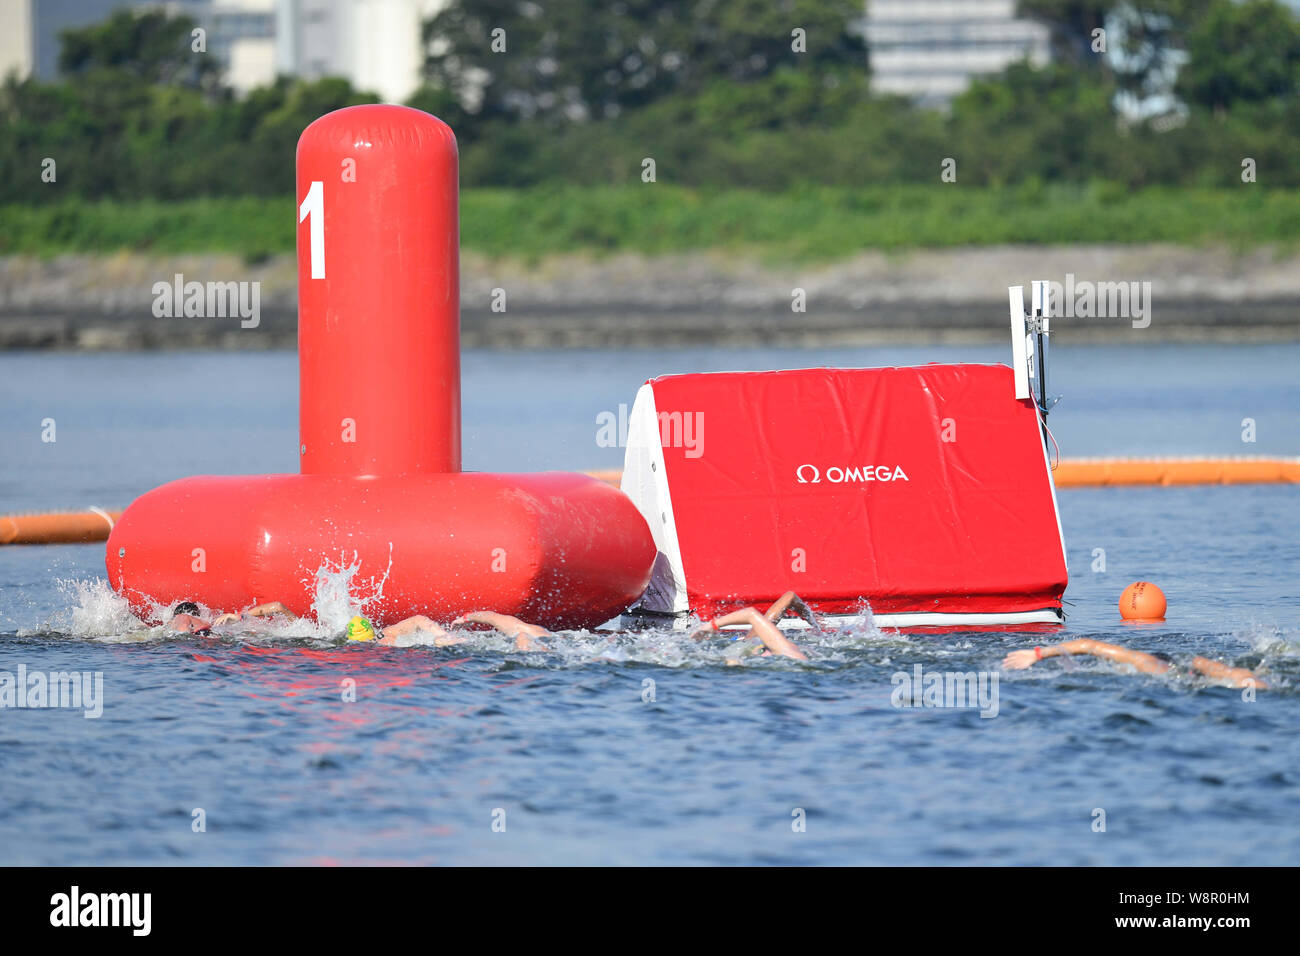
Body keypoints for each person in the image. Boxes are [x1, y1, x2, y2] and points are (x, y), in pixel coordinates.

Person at [1002, 638, 1267, 689]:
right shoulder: (1194, 664)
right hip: (1192, 670)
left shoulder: (1146, 663)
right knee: (1239, 676)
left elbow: (1090, 646)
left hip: (1172, 675)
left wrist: (1037, 654)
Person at [687, 590, 815, 661]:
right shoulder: (789, 652)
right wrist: (815, 622)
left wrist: (712, 625)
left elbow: (750, 614)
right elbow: (790, 596)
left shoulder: (787, 652)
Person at [166, 599, 294, 636]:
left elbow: (182, 634)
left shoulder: (182, 617)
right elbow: (278, 606)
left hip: (204, 641)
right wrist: (241, 616)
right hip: (227, 637)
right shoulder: (217, 622)